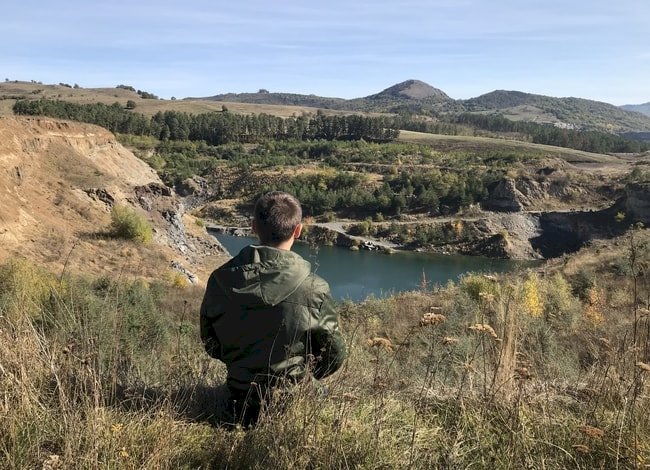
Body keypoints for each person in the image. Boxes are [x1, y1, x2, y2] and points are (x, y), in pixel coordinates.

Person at [200, 191, 346, 426]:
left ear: (253, 227)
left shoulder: (220, 280)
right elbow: (334, 355)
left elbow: (211, 343)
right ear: (298, 230)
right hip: (294, 402)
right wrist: (306, 373)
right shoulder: (314, 288)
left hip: (236, 399)